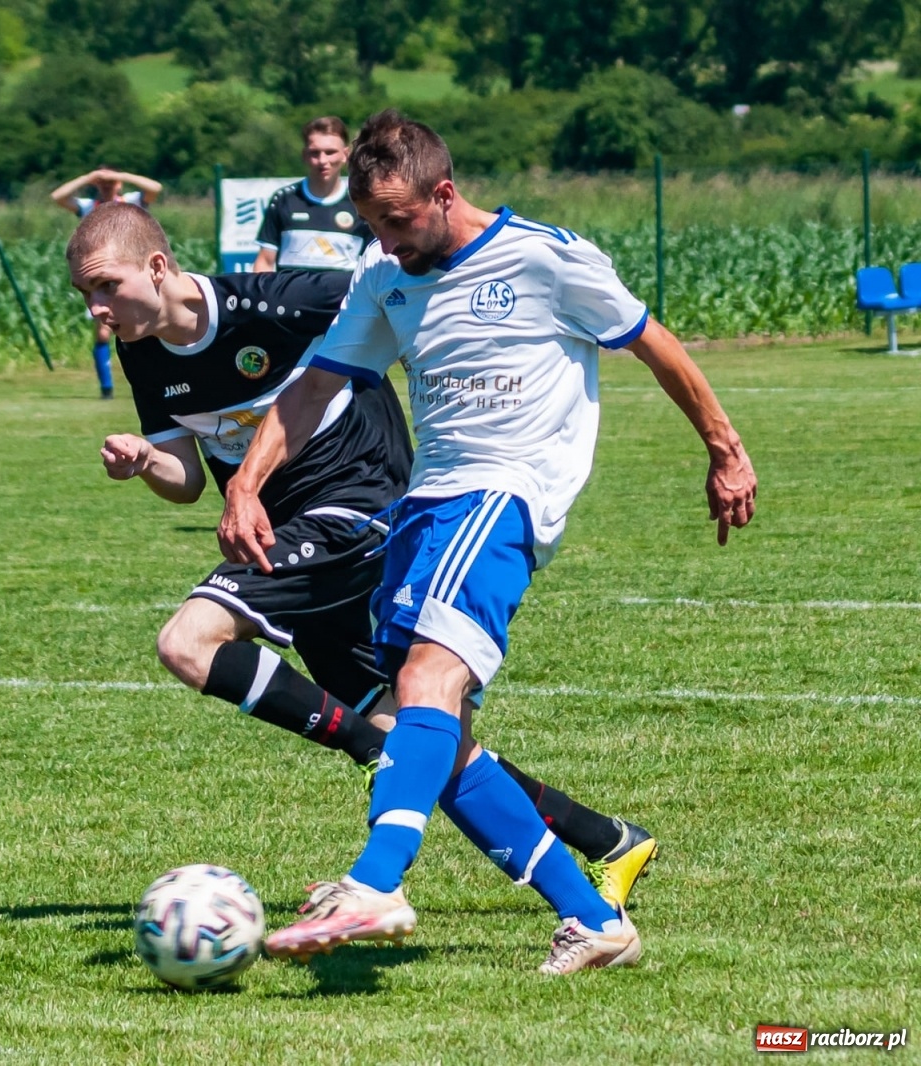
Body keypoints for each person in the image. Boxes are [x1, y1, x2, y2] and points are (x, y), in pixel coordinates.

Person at [220, 111, 757, 975]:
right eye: (372, 227)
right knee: (431, 729)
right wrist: (245, 483)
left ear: (444, 193)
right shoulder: (385, 276)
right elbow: (318, 380)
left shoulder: (546, 256)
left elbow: (654, 345)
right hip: (424, 506)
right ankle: (594, 920)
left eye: (398, 222)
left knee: (428, 678)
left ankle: (376, 881)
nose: (386, 243)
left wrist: (725, 450)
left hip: (503, 494)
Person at [66, 201, 659, 910]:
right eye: (86, 294)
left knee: (189, 642)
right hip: (285, 540)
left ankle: (368, 768)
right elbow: (186, 480)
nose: (96, 308)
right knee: (421, 736)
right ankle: (606, 841)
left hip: (360, 509)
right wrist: (142, 461)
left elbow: (402, 296)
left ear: (157, 267)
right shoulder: (143, 351)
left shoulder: (282, 302)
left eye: (106, 286)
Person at [52, 166, 163, 398]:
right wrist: (86, 177)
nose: (106, 185)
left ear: (120, 184)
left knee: (147, 331)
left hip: (132, 275)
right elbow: (58, 197)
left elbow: (155, 188)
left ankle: (152, 380)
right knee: (103, 334)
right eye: (102, 183)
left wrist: (121, 176)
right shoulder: (89, 208)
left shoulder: (131, 202)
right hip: (101, 278)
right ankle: (106, 388)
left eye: (110, 183)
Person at [253, 116, 375, 274]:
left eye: (330, 152)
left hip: (342, 298)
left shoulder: (360, 204)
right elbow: (265, 261)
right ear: (305, 155)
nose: (322, 160)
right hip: (292, 298)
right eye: (315, 153)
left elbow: (373, 265)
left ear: (345, 155)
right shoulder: (284, 199)